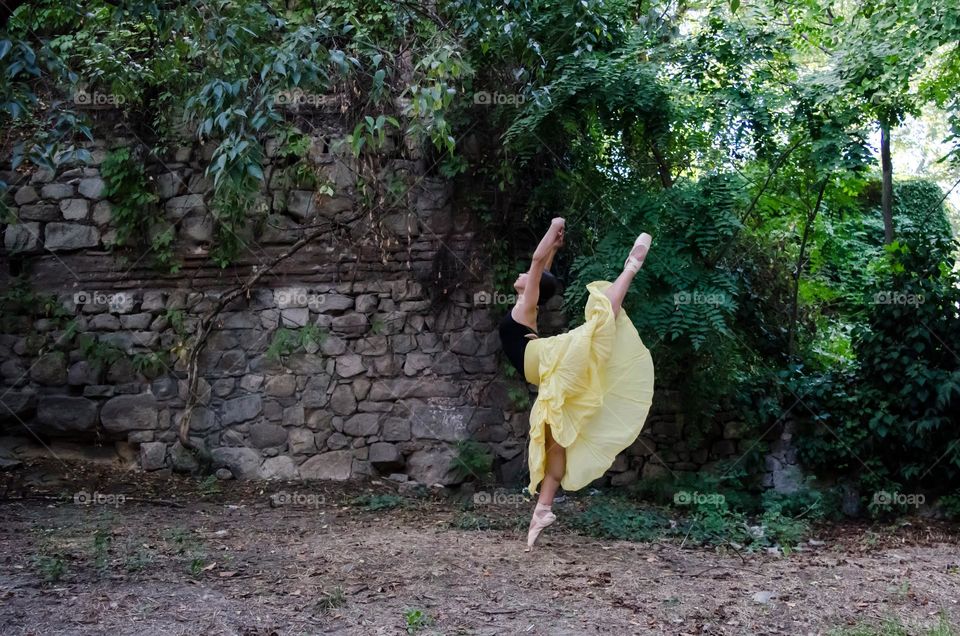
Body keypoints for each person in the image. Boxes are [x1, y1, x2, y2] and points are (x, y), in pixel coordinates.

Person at [497, 217, 655, 549]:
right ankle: (542, 510)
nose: (522, 275)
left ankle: (630, 267)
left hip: (549, 358)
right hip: (548, 370)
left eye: (527, 277)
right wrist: (554, 245)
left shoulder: (526, 306)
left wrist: (553, 226)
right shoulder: (526, 304)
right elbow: (542, 268)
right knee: (555, 442)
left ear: (532, 288)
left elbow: (538, 264)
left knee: (599, 321)